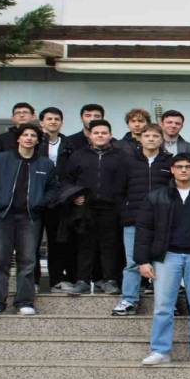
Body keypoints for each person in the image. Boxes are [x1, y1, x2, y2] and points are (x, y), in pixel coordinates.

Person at [136, 154, 190, 366]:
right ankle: (160, 350)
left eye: (188, 166)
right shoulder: (157, 196)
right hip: (167, 256)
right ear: (172, 170)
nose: (183, 170)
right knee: (163, 306)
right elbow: (144, 229)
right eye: (179, 166)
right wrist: (143, 261)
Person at [0, 124, 57, 316]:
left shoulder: (45, 164)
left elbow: (53, 188)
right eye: (25, 135)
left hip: (30, 218)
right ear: (18, 139)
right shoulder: (1, 159)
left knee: (27, 261)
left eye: (33, 135)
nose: (29, 138)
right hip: (3, 216)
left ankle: (24, 301)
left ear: (37, 141)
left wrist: (41, 202)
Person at [59, 119, 129, 295]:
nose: (100, 136)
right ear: (90, 135)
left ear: (110, 135)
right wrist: (74, 195)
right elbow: (66, 180)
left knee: (110, 245)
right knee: (85, 244)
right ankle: (82, 280)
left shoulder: (121, 156)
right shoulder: (78, 155)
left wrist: (121, 201)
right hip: (85, 207)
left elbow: (128, 181)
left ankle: (110, 280)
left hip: (112, 208)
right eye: (96, 133)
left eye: (104, 133)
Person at [112, 124, 172, 316]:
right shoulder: (128, 162)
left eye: (155, 136)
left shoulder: (169, 162)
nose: (151, 139)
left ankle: (167, 302)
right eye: (147, 136)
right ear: (140, 138)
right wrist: (125, 212)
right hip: (134, 219)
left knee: (163, 262)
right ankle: (129, 299)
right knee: (132, 262)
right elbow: (118, 191)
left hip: (163, 220)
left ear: (162, 139)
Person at [35, 106, 74, 290]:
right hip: (36, 198)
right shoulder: (35, 142)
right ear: (42, 122)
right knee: (32, 242)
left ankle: (57, 279)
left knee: (58, 242)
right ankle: (32, 281)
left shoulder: (68, 144)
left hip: (60, 200)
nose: (53, 122)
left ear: (61, 123)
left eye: (56, 119)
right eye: (49, 119)